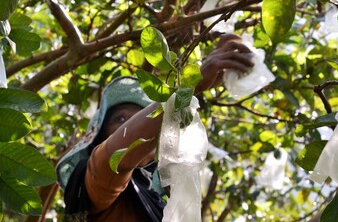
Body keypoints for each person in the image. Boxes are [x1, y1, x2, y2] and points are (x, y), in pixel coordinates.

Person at [56, 34, 254, 221]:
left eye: (139, 118)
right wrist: (189, 85)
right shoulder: (96, 177)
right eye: (119, 119)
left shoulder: (153, 198)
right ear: (100, 137)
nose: (130, 124)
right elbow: (114, 157)